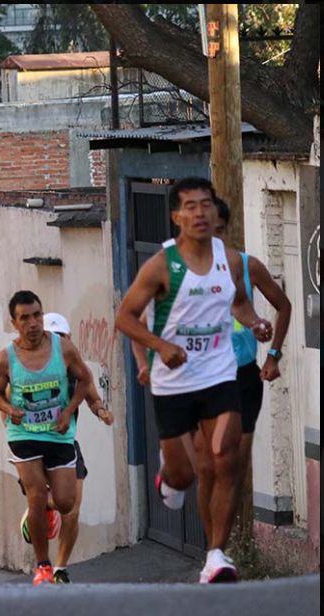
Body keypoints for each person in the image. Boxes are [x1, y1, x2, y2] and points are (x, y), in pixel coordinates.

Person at [115, 179, 271, 584]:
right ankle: (169, 474)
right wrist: (159, 346)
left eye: (206, 205)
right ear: (176, 216)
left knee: (226, 460)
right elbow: (124, 318)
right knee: (185, 475)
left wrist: (256, 322)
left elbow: (238, 301)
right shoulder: (161, 266)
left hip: (219, 375)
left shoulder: (230, 260)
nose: (200, 213)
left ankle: (216, 555)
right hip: (174, 382)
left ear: (215, 212)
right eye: (190, 206)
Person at [0, 291, 93, 585]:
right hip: (23, 434)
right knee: (36, 495)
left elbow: (85, 379)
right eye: (25, 318)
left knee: (66, 502)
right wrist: (9, 409)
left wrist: (68, 412)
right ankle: (44, 565)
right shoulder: (5, 359)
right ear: (14, 323)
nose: (33, 323)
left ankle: (48, 508)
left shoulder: (64, 349)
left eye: (37, 315)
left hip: (58, 433)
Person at [37, 314, 114, 583]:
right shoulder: (30, 368)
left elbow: (92, 399)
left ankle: (60, 568)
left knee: (73, 508)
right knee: (51, 500)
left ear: (69, 339)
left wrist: (102, 411)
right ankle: (42, 505)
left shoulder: (76, 370)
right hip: (35, 447)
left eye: (62, 337)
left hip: (67, 444)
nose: (58, 342)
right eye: (52, 337)